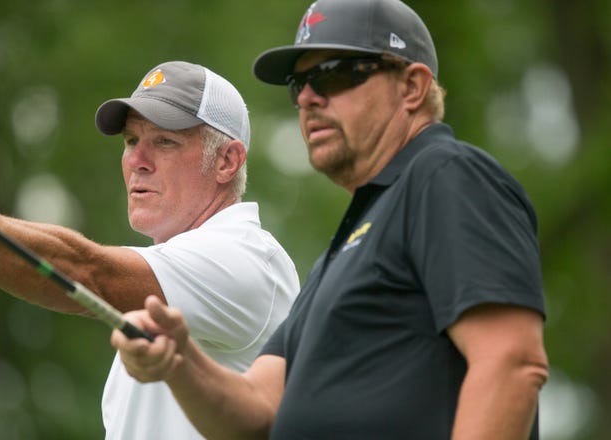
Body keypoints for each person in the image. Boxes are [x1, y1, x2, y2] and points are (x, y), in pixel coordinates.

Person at [111, 0, 550, 439]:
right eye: (299, 83)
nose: (306, 97)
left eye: (334, 74)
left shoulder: (445, 175)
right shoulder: (340, 255)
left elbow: (510, 362)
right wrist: (180, 362)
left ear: (412, 88)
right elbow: (259, 412)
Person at [0, 60, 300, 439]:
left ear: (227, 161)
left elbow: (87, 271)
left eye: (164, 141)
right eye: (132, 141)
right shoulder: (187, 273)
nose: (136, 161)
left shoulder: (244, 254)